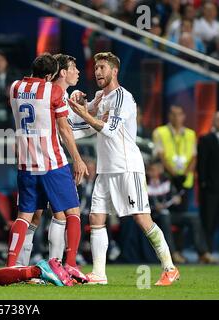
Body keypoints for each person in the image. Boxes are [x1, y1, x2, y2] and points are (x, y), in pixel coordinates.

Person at [69, 52, 179, 286]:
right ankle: (99, 274)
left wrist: (85, 114)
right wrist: (75, 103)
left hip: (127, 166)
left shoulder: (123, 97)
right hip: (106, 168)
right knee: (96, 216)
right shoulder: (100, 97)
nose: (97, 72)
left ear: (114, 71)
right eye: (96, 68)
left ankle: (169, 268)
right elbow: (83, 126)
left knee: (141, 218)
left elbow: (109, 129)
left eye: (102, 68)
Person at [6, 53, 88, 283]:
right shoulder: (54, 91)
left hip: (26, 163)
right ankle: (69, 266)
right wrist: (78, 159)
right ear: (51, 75)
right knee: (72, 212)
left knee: (25, 216)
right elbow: (64, 129)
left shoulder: (14, 87)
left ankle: (11, 267)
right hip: (52, 162)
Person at [153, 105, 215, 264]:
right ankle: (171, 253)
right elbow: (161, 156)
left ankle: (181, 251)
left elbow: (194, 157)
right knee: (168, 218)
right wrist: (174, 175)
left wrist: (185, 175)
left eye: (179, 114)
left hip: (184, 183)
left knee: (181, 219)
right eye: (173, 114)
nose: (176, 117)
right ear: (169, 116)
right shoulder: (160, 132)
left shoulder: (190, 134)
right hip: (166, 183)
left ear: (183, 117)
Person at [197, 111, 219, 255]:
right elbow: (202, 164)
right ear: (213, 121)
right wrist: (204, 184)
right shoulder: (206, 139)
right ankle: (207, 253)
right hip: (211, 190)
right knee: (208, 223)